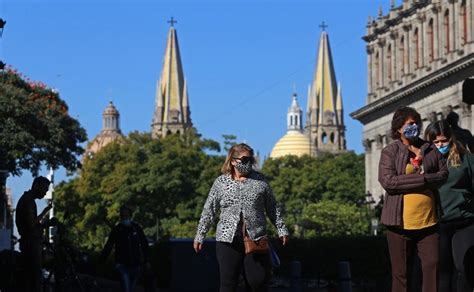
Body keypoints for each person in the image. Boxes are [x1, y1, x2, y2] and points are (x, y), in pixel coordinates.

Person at [194, 143, 289, 292]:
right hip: (227, 239)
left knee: (257, 281)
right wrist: (200, 235)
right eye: (244, 160)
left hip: (255, 237)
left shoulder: (260, 181)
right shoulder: (221, 183)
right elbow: (209, 210)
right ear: (233, 161)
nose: (248, 163)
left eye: (251, 160)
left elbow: (272, 207)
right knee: (228, 284)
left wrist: (281, 229)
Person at [378, 106, 448, 292]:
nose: (414, 126)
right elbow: (389, 182)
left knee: (432, 267)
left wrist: (424, 179)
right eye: (410, 124)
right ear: (399, 128)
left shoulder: (430, 148)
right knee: (402, 274)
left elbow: (443, 175)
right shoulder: (390, 152)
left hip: (428, 222)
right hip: (399, 225)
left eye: (416, 123)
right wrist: (423, 179)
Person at [425, 119, 474, 292]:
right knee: (443, 273)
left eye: (443, 141)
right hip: (439, 224)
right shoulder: (425, 164)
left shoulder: (465, 159)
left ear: (450, 139)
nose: (440, 145)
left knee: (464, 268)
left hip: (465, 221)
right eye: (435, 142)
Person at [100, 205, 150, 292]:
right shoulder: (117, 230)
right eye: (123, 216)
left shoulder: (136, 228)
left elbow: (144, 244)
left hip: (135, 264)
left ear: (130, 216)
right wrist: (101, 262)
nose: (125, 218)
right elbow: (109, 246)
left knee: (130, 288)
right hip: (122, 264)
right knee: (127, 288)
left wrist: (147, 260)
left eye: (127, 216)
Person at [15, 176, 53, 292]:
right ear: (36, 185)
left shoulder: (27, 199)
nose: (45, 193)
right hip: (31, 244)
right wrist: (44, 213)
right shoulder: (28, 201)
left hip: (31, 243)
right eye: (44, 189)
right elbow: (31, 225)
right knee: (35, 278)